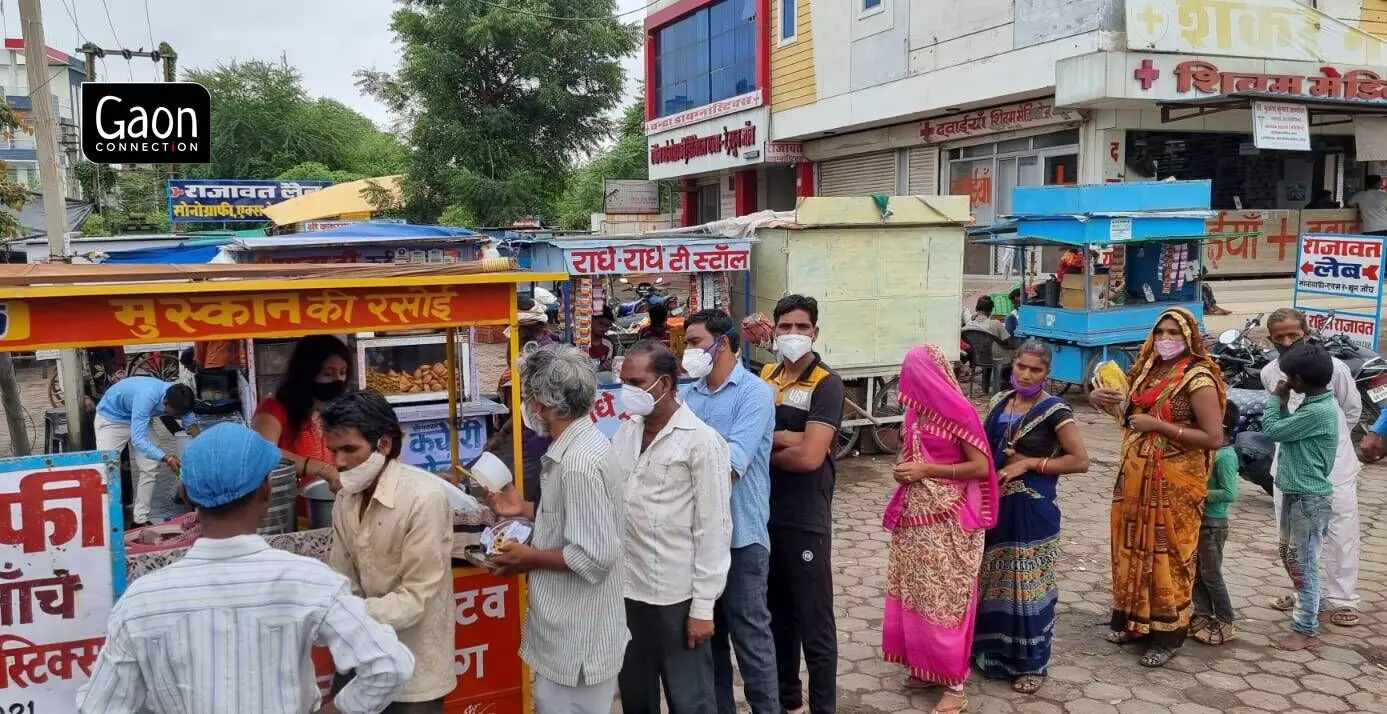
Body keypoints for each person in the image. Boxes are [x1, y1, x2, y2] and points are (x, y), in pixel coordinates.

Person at [78, 423, 415, 714]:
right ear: (266, 491)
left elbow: (99, 706)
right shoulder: (308, 580)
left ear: (189, 496)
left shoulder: (141, 602)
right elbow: (390, 664)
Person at [485, 345, 627, 714]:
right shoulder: (580, 446)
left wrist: (528, 557)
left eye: (528, 397)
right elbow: (576, 518)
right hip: (573, 633)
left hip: (578, 637)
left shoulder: (577, 462)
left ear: (540, 403)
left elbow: (595, 555)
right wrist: (524, 510)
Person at [1089, 307, 1226, 668]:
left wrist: (1160, 426)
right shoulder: (1148, 370)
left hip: (1175, 483)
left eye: (1174, 333)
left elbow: (1213, 437)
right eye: (1161, 332)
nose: (1166, 340)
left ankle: (1168, 634)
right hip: (1134, 478)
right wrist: (1099, 402)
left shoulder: (1199, 378)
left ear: (1190, 337)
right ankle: (1131, 622)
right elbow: (1129, 417)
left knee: (1168, 556)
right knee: (1130, 547)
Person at [613, 340, 732, 714]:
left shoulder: (701, 442)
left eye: (635, 382)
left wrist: (703, 608)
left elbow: (714, 528)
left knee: (690, 699)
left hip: (676, 598)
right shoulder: (627, 431)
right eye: (623, 382)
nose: (626, 392)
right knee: (636, 695)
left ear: (663, 385)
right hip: (628, 592)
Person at [881, 345, 998, 714]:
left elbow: (981, 466)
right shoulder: (915, 412)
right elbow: (913, 454)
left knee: (947, 599)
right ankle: (925, 666)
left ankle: (955, 686)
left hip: (950, 523)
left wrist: (926, 471)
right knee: (916, 592)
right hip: (916, 519)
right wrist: (905, 466)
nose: (906, 382)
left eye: (911, 375)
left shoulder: (958, 412)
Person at [323, 391, 456, 712]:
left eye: (350, 449)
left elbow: (415, 599)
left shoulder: (424, 498)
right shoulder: (346, 499)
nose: (339, 462)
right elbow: (342, 579)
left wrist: (343, 616)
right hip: (361, 659)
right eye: (334, 451)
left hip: (415, 665)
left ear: (383, 444)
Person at [679, 309, 780, 714]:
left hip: (742, 536)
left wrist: (685, 466)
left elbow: (731, 464)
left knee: (750, 637)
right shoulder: (688, 396)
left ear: (723, 343)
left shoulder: (754, 393)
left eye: (694, 342)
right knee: (708, 638)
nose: (688, 351)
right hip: (697, 540)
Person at [973, 340, 1089, 694]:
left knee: (1028, 587)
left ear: (1046, 373)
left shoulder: (1056, 411)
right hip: (995, 506)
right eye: (1021, 366)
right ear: (1013, 364)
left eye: (1035, 370)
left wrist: (1028, 462)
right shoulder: (999, 403)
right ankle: (988, 653)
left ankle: (1032, 664)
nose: (1025, 374)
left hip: (1033, 510)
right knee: (991, 581)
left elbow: (1079, 461)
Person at [758, 295, 842, 714]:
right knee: (777, 616)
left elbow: (811, 458)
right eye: (785, 326)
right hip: (764, 514)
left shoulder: (827, 382)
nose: (793, 335)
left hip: (806, 517)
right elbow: (751, 433)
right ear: (774, 331)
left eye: (801, 327)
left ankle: (823, 707)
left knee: (815, 622)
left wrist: (765, 446)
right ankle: (788, 702)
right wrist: (793, 436)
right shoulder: (767, 375)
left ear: (815, 332)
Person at [1260, 308, 1362, 627]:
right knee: (1293, 540)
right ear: (1271, 340)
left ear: (1307, 332)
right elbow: (1277, 419)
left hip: (1334, 469)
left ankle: (1342, 597)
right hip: (1289, 470)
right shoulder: (1270, 372)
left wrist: (1322, 443)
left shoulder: (1335, 368)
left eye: (1294, 335)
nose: (1288, 341)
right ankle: (1307, 594)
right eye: (1280, 337)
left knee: (1340, 532)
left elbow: (1350, 411)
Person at [1260, 343, 1339, 652]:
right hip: (1297, 493)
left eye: (1289, 378)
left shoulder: (1318, 412)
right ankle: (1314, 605)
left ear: (1299, 381)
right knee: (1291, 556)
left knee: (1303, 564)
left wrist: (1275, 399)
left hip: (1309, 499)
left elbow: (1273, 429)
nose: (1286, 383)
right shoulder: (1312, 403)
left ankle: (1305, 627)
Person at [252, 335, 352, 491]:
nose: (337, 379)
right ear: (306, 373)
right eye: (328, 373)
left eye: (343, 372)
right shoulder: (274, 409)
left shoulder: (340, 412)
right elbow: (261, 452)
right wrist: (320, 469)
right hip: (289, 509)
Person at [94, 376, 197, 527]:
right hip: (112, 420)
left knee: (150, 466)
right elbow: (138, 440)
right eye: (176, 415)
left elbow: (191, 427)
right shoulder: (147, 397)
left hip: (140, 419)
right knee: (105, 469)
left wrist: (201, 448)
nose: (179, 418)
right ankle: (104, 521)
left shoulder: (181, 398)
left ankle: (140, 520)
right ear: (165, 403)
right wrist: (167, 458)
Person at [484, 298, 556, 503]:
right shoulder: (526, 349)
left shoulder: (544, 357)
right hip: (529, 431)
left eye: (513, 330)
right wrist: (502, 433)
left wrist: (503, 434)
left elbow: (535, 406)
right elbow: (525, 406)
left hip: (540, 440)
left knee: (526, 490)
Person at [1190, 400, 1240, 647]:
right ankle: (1202, 614)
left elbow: (1230, 493)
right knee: (1198, 572)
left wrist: (1200, 492)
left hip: (1213, 523)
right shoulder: (1211, 452)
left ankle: (1225, 619)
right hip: (1201, 521)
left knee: (1211, 574)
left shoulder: (1226, 456)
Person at [589, 306, 620, 372]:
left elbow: (609, 365)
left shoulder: (609, 343)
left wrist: (608, 366)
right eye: (601, 323)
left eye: (607, 326)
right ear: (591, 319)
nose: (604, 328)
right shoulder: (578, 340)